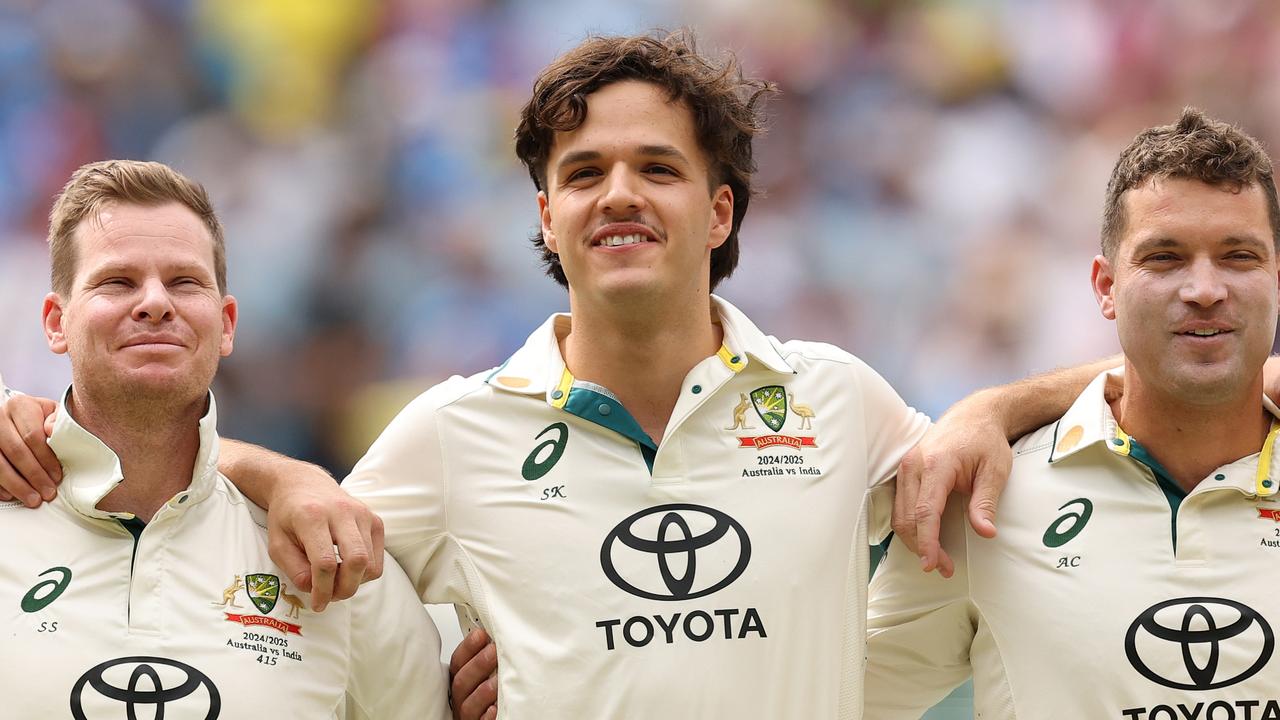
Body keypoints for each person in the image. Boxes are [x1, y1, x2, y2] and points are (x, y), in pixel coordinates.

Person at [1, 33, 1113, 719]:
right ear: (546, 213)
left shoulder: (834, 398)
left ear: (718, 209)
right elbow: (219, 520)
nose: (617, 193)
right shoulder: (451, 432)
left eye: (657, 169)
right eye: (582, 173)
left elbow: (1028, 458)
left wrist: (996, 402)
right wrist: (282, 475)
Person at [864, 107, 1280, 718]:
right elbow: (827, 697)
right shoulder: (988, 502)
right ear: (1105, 287)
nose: (1204, 289)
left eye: (1239, 256)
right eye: (1164, 258)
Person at [0, 160, 450, 719]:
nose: (155, 302)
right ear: (54, 321)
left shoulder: (336, 564)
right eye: (117, 281)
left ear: (227, 322)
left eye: (185, 282)